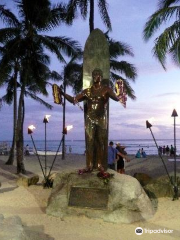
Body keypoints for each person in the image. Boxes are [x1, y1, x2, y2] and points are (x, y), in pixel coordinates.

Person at [60, 68, 120, 171]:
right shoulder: (87, 91)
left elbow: (116, 98)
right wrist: (62, 93)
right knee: (90, 141)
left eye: (98, 74)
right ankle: (90, 164)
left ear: (101, 76)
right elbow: (74, 100)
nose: (96, 76)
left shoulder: (106, 89)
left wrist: (119, 90)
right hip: (90, 119)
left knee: (101, 141)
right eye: (94, 74)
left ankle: (100, 164)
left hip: (101, 118)